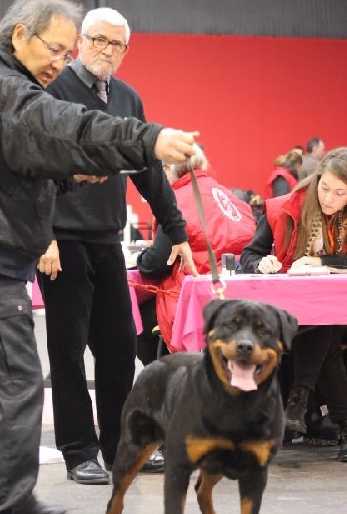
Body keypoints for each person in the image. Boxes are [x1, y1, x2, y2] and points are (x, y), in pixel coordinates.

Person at [0, 0, 199, 514]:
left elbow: (14, 169)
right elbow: (59, 124)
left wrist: (67, 175)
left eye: (66, 53)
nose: (62, 62)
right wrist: (149, 138)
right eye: (57, 49)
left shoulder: (4, 83)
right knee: (17, 386)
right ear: (19, 36)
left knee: (14, 384)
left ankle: (14, 497)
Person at [37, 7, 197, 486]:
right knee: (67, 350)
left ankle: (120, 446)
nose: (107, 51)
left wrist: (178, 230)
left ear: (126, 51)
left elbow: (149, 169)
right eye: (99, 41)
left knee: (118, 347)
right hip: (60, 242)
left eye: (117, 44)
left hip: (107, 241)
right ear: (80, 42)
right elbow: (35, 169)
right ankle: (79, 450)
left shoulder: (127, 98)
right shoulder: (52, 92)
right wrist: (41, 234)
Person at [239, 146, 347, 462]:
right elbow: (249, 255)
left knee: (322, 321)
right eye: (324, 188)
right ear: (316, 181)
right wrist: (262, 263)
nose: (329, 198)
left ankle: (298, 403)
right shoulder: (284, 208)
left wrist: (320, 261)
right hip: (291, 314)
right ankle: (315, 410)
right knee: (321, 329)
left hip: (335, 313)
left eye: (340, 193)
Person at [136, 143, 257, 364]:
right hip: (239, 294)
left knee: (134, 317)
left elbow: (157, 263)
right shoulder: (226, 194)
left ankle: (165, 383)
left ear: (169, 169)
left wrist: (140, 258)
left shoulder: (175, 202)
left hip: (197, 298)